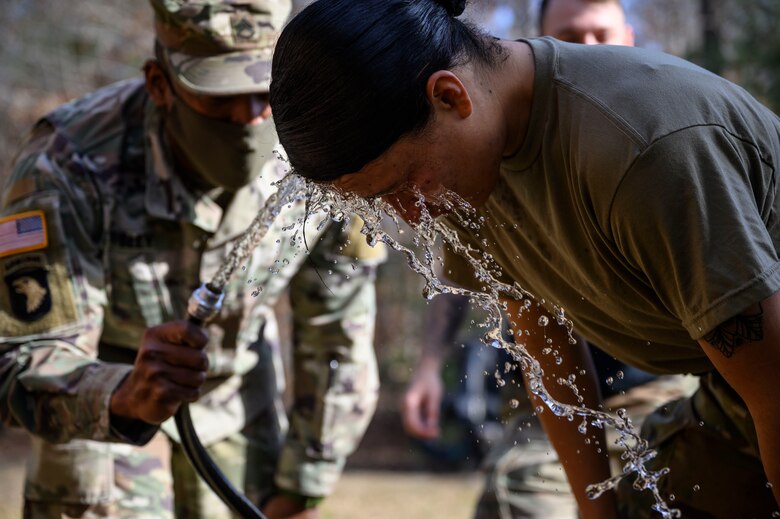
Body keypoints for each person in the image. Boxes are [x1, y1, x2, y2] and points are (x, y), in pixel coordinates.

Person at [269, 0, 780, 517]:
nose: (409, 213)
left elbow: (775, 384)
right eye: (380, 200)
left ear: (450, 95)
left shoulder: (640, 149)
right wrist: (594, 513)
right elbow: (548, 350)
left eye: (401, 185)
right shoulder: (460, 165)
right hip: (736, 393)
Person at [0, 0, 384, 518]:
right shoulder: (69, 163)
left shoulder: (321, 146)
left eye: (264, 93)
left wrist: (304, 483)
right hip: (103, 440)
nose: (249, 119)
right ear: (160, 84)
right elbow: (22, 358)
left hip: (241, 429)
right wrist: (123, 394)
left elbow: (339, 328)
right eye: (220, 98)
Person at [399, 4, 691, 517]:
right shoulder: (486, 150)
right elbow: (462, 278)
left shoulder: (663, 134)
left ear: (629, 35)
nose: (589, 47)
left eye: (601, 33)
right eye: (571, 35)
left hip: (665, 390)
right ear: (540, 44)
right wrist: (427, 367)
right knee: (518, 504)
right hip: (553, 407)